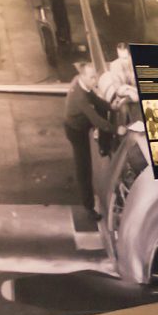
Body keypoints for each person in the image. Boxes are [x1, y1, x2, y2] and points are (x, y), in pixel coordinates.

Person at [61, 57, 116, 234]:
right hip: (76, 131)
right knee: (83, 167)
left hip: (82, 122)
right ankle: (88, 208)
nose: (95, 80)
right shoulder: (79, 97)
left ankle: (103, 145)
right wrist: (118, 129)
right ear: (83, 77)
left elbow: (96, 99)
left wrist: (111, 107)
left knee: (102, 110)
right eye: (92, 77)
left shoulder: (83, 83)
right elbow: (96, 120)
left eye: (95, 77)